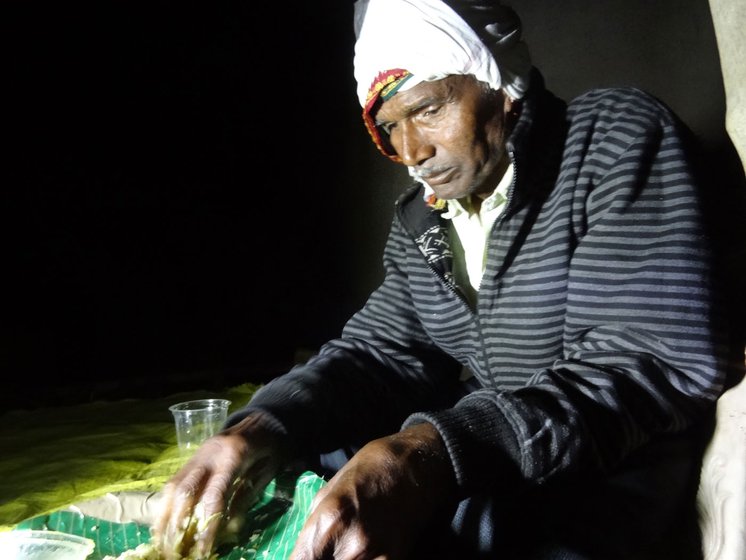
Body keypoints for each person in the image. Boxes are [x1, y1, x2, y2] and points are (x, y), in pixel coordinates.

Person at [151, 1, 735, 559]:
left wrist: (427, 454)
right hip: (499, 455)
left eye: (429, 109)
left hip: (606, 473)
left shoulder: (612, 140)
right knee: (309, 470)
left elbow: (643, 360)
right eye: (390, 124)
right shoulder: (426, 221)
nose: (411, 150)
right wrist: (261, 427)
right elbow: (377, 352)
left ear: (501, 84)